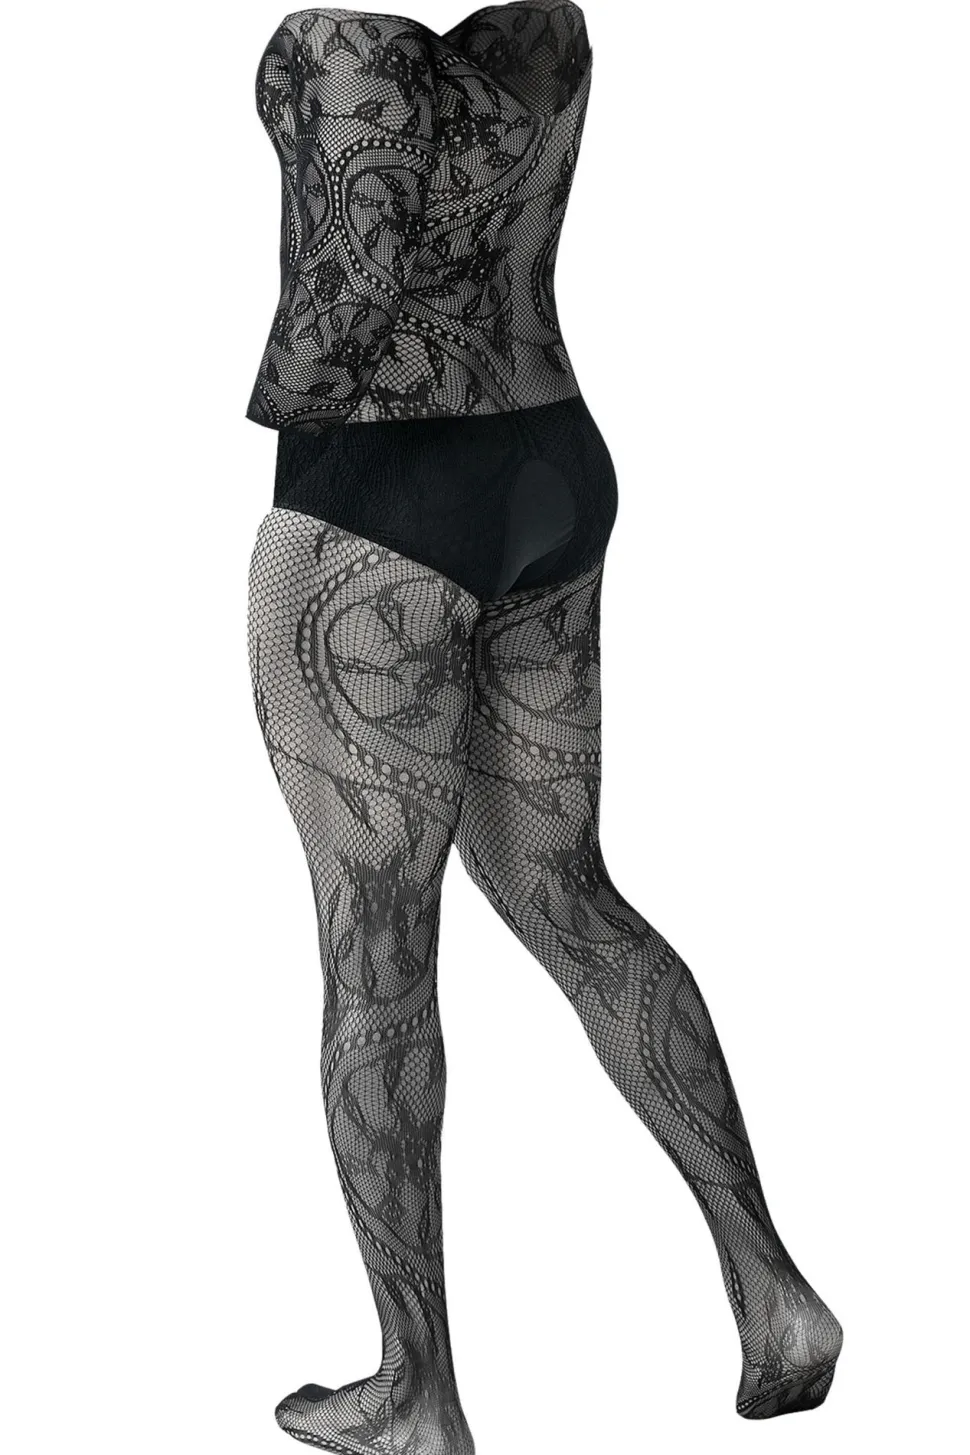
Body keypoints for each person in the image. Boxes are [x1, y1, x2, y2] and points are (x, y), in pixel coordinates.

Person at [245, 5, 842, 1449]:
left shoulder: (335, 38)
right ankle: (775, 1294)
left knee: (377, 951)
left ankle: (417, 1391)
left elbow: (345, 306)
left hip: (377, 509)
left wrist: (281, 410)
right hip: (551, 462)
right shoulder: (545, 27)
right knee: (567, 889)